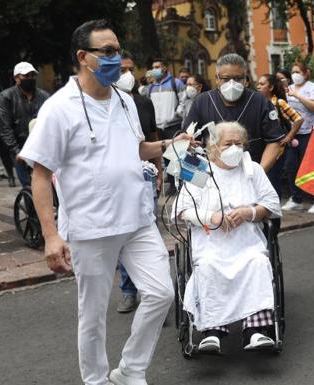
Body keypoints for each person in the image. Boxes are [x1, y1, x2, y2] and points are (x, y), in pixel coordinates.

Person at [19, 20, 194, 385]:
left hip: (138, 219)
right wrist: (51, 236)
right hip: (90, 228)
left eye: (119, 50)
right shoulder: (59, 107)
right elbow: (39, 174)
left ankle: (130, 370)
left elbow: (136, 148)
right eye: (108, 52)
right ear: (84, 57)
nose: (118, 59)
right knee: (93, 315)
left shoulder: (125, 100)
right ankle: (97, 381)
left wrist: (167, 146)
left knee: (161, 293)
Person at [173, 122, 282, 352]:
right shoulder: (199, 168)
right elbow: (180, 211)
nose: (234, 148)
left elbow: (271, 204)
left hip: (246, 242)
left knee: (257, 262)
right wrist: (213, 217)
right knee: (208, 266)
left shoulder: (251, 169)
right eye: (228, 144)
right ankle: (212, 332)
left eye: (238, 143)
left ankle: (254, 331)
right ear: (213, 147)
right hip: (211, 243)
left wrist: (247, 212)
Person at [182, 53, 285, 175]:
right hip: (213, 177)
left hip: (250, 175)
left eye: (238, 78)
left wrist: (259, 174)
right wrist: (199, 178)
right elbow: (187, 142)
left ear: (245, 79)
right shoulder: (202, 102)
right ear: (217, 78)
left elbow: (274, 141)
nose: (232, 83)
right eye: (226, 79)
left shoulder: (260, 102)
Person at [114, 51, 162, 314]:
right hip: (119, 183)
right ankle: (128, 291)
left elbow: (151, 137)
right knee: (124, 238)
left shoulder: (143, 102)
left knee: (146, 236)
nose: (127, 75)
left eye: (130, 69)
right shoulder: (106, 103)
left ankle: (151, 295)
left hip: (145, 176)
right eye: (122, 69)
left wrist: (159, 171)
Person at [282, 61, 314, 214]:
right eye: (293, 72)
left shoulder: (312, 88)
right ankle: (296, 199)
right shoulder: (288, 88)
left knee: (312, 167)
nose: (295, 75)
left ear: (306, 73)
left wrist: (298, 96)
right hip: (294, 133)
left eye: (298, 72)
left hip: (311, 132)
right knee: (290, 166)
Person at [0, 61, 49, 187]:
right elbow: (5, 127)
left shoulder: (44, 96)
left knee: (45, 184)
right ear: (16, 78)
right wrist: (16, 151)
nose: (30, 79)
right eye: (26, 76)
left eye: (32, 75)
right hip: (20, 147)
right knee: (27, 185)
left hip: (41, 147)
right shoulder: (7, 96)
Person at [256, 73, 303, 197]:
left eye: (262, 84)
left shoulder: (279, 103)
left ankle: (274, 212)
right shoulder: (257, 103)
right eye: (258, 84)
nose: (258, 87)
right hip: (261, 148)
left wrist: (289, 137)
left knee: (273, 179)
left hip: (278, 149)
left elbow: (298, 119)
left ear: (271, 87)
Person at [148, 58, 186, 196]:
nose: (154, 69)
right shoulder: (151, 87)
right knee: (164, 156)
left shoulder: (175, 83)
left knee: (175, 155)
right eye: (153, 67)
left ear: (164, 68)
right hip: (158, 126)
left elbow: (183, 100)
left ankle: (181, 183)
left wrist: (177, 114)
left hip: (172, 124)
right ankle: (171, 183)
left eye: (157, 66)